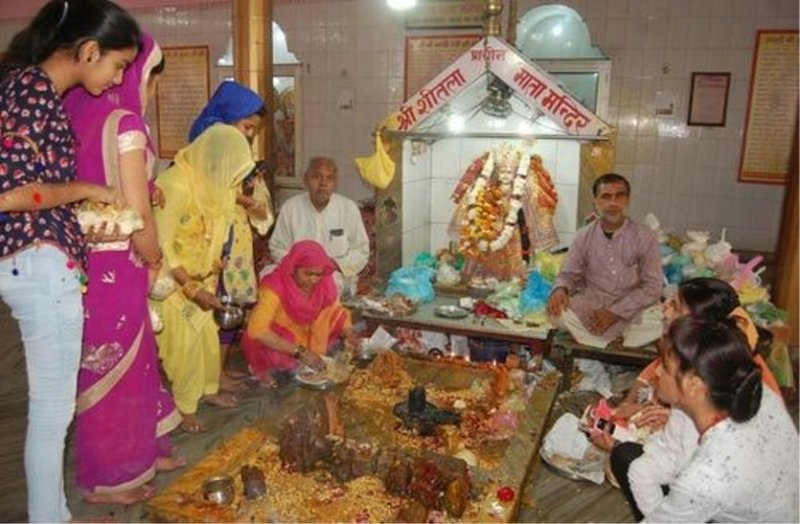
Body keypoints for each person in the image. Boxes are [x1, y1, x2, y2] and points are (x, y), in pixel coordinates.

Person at [0, 2, 140, 522]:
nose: (118, 76)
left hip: (31, 259)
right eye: (117, 65)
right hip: (40, 266)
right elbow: (12, 193)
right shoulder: (35, 91)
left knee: (49, 411)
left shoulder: (24, 88)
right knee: (51, 412)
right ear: (87, 51)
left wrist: (80, 212)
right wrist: (86, 188)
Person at [63, 32, 184, 505]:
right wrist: (154, 259)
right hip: (121, 262)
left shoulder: (76, 113)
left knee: (123, 365)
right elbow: (137, 212)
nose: (147, 86)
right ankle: (109, 478)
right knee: (116, 371)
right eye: (148, 75)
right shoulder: (126, 122)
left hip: (83, 262)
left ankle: (143, 452)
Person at [600, 277, 783, 519]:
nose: (665, 309)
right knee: (631, 460)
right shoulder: (697, 354)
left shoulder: (738, 375)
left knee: (629, 458)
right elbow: (652, 381)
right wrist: (638, 409)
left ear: (699, 323)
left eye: (674, 306)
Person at [634, 317, 798, 522]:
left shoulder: (706, 476)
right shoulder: (755, 393)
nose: (657, 372)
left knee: (627, 458)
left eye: (665, 367)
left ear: (694, 384)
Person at [152, 123, 255, 433]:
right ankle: (182, 409)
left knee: (208, 342)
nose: (233, 182)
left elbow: (220, 222)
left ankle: (208, 391)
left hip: (205, 277)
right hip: (173, 283)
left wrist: (216, 261)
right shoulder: (175, 184)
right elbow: (161, 246)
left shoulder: (214, 183)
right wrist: (190, 287)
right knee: (184, 348)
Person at [187, 80, 274, 390]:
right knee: (215, 306)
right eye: (247, 127)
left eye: (253, 131)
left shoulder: (231, 149)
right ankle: (208, 380)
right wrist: (242, 199)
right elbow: (206, 192)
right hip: (210, 244)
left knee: (230, 307)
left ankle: (218, 371)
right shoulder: (205, 145)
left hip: (233, 240)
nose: (248, 135)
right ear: (227, 116)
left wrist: (251, 195)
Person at [547, 173, 662, 348]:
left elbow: (653, 287)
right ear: (596, 201)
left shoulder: (645, 236)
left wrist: (616, 313)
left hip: (632, 309)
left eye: (619, 196)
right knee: (555, 313)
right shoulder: (583, 235)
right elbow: (568, 274)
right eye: (606, 197)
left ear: (627, 200)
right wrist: (560, 290)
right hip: (593, 306)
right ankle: (619, 338)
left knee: (667, 321)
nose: (613, 203)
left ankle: (598, 337)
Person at [242, 240, 359, 385]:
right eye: (308, 274)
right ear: (294, 268)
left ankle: (307, 357)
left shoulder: (325, 282)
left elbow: (336, 310)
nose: (314, 280)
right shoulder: (275, 285)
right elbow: (257, 330)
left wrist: (348, 332)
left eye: (318, 274)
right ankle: (265, 369)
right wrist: (301, 352)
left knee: (335, 316)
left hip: (307, 334)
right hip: (280, 338)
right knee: (280, 358)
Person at [268, 157, 369, 297]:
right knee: (266, 275)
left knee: (327, 285)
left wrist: (334, 264)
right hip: (296, 274)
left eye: (329, 178)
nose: (323, 183)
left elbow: (361, 250)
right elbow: (277, 247)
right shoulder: (291, 208)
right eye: (316, 177)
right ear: (305, 180)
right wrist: (298, 267)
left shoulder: (348, 208)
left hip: (333, 275)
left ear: (335, 182)